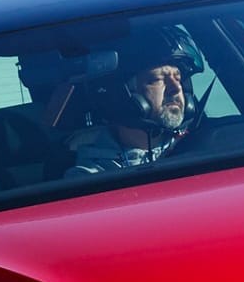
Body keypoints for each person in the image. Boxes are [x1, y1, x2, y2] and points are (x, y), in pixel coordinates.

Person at [64, 26, 205, 176]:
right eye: (158, 79)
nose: (176, 89)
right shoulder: (89, 179)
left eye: (178, 78)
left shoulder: (208, 146)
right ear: (120, 94)